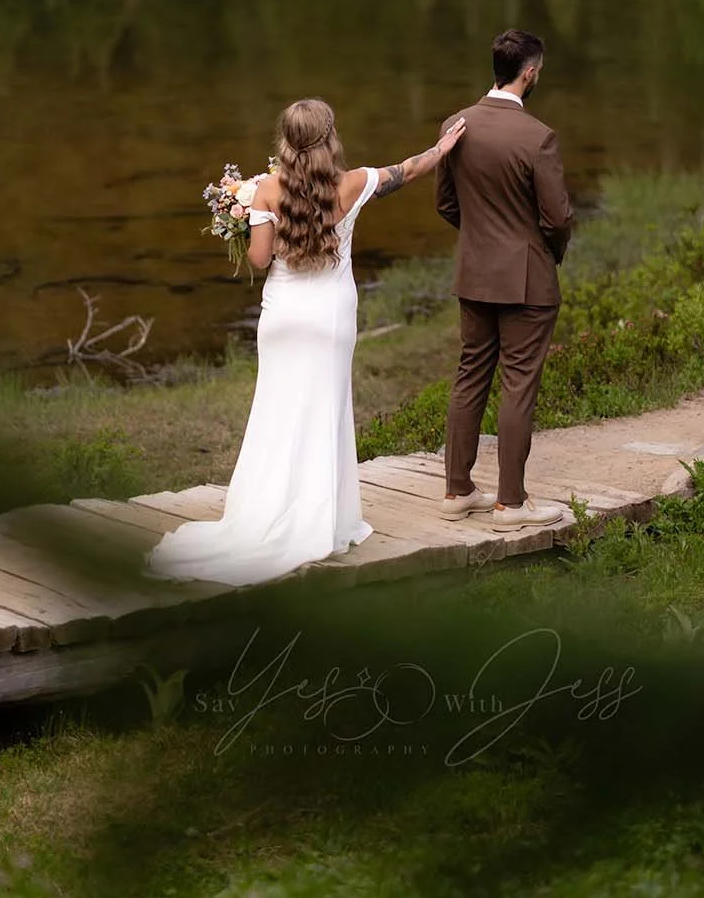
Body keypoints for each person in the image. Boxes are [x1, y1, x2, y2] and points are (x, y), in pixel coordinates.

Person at [145, 97, 466, 586]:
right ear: (330, 136)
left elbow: (258, 260)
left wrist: (247, 213)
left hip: (284, 316)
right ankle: (325, 520)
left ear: (285, 141)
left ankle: (266, 510)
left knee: (275, 411)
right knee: (326, 410)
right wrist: (442, 148)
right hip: (332, 316)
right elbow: (407, 170)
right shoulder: (354, 183)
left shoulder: (267, 191)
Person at [435, 29, 573, 530]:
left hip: (473, 274)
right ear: (530, 72)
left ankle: (457, 490)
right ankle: (510, 504)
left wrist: (480, 242)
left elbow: (447, 204)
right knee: (518, 385)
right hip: (527, 281)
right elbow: (557, 219)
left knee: (470, 374)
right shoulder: (538, 138)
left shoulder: (456, 125)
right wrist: (545, 253)